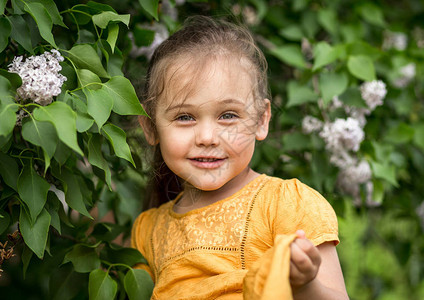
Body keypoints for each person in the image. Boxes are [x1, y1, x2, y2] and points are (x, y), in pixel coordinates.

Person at [132, 15, 349, 300]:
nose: (207, 137)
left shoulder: (286, 205)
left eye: (228, 116)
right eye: (185, 117)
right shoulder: (148, 230)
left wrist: (305, 285)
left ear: (261, 119)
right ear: (150, 126)